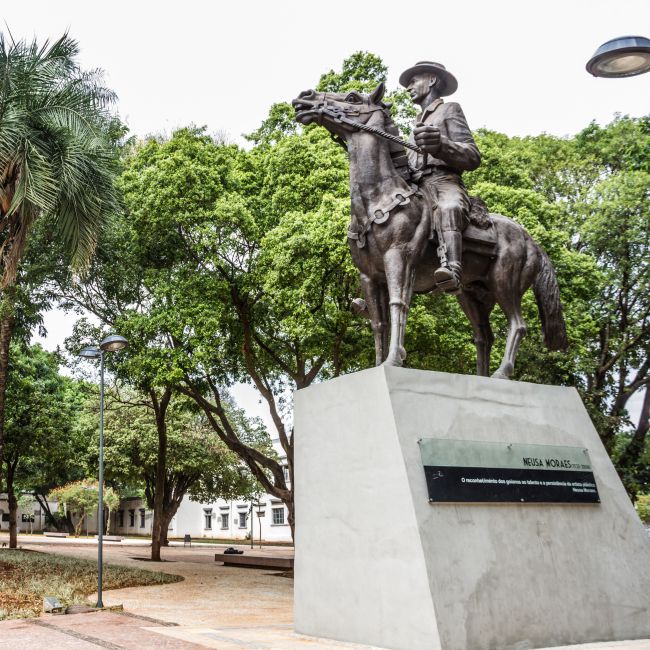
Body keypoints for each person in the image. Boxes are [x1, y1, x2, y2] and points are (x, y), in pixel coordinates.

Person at [399, 61, 481, 293]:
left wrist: (442, 145)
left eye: (414, 81)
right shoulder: (415, 124)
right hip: (417, 187)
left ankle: (453, 268)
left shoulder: (450, 110)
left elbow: (473, 156)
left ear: (432, 80)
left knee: (449, 207)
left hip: (443, 182)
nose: (408, 87)